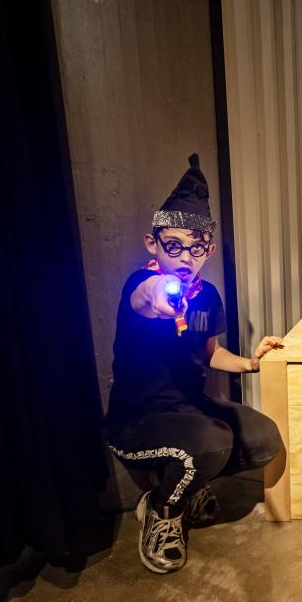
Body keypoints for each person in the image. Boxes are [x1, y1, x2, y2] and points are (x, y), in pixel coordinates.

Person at [103, 154, 284, 574]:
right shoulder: (142, 284)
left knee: (264, 438)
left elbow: (209, 353)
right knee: (212, 442)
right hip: (136, 420)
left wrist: (252, 363)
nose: (186, 258)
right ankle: (162, 510)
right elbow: (149, 296)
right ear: (153, 244)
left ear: (208, 250)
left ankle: (189, 483)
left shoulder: (208, 296)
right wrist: (163, 294)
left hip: (189, 410)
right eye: (174, 245)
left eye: (196, 247)